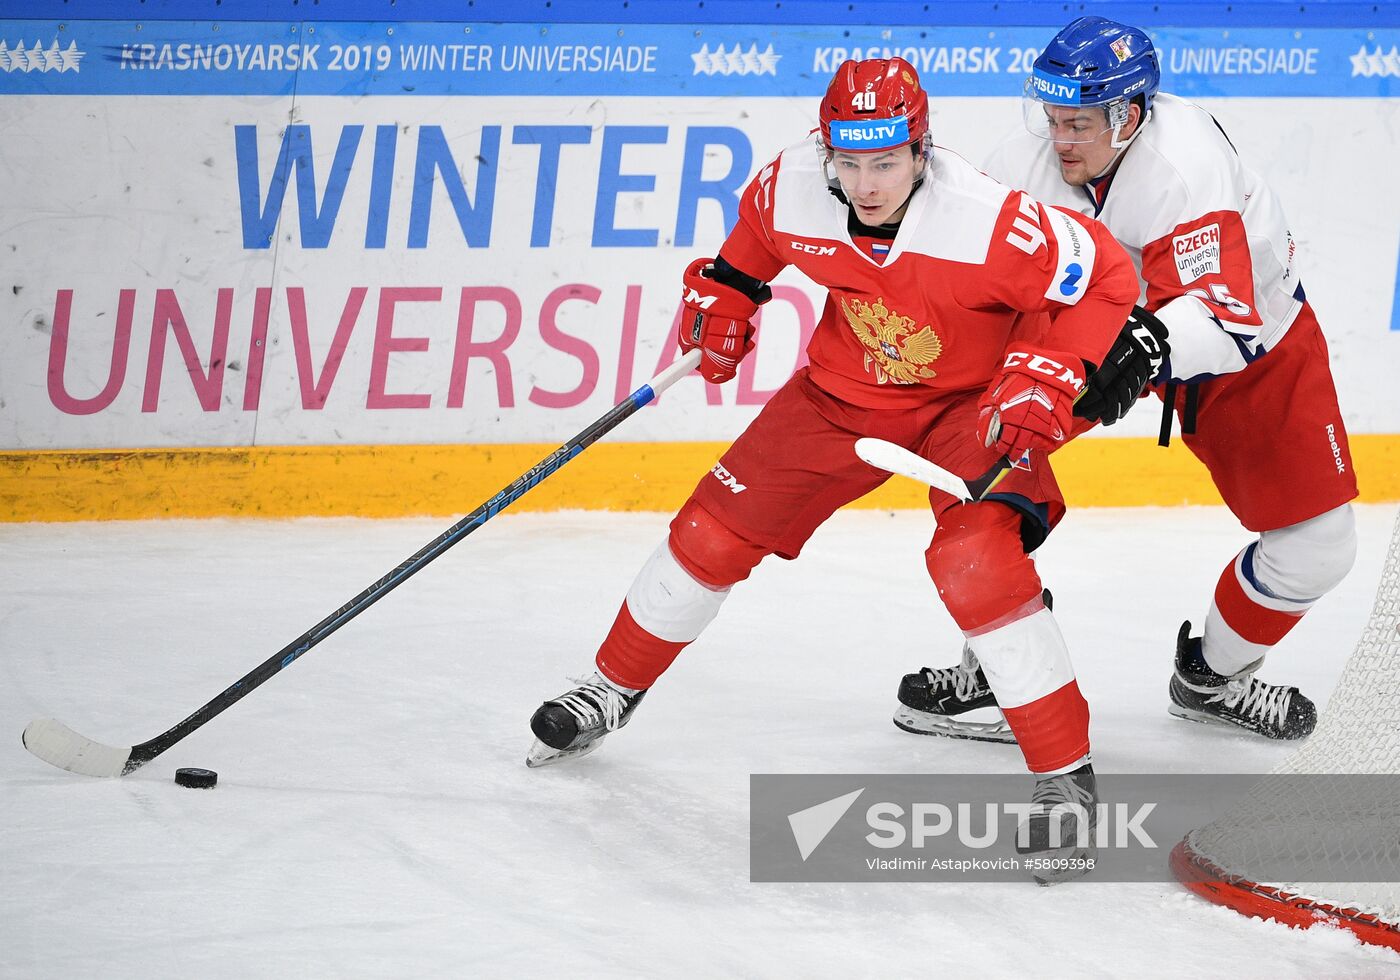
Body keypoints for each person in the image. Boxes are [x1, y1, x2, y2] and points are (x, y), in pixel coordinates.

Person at [525, 56, 1141, 875]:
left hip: (974, 402)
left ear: (921, 151)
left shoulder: (990, 222)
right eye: (848, 163)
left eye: (885, 162)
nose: (866, 184)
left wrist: (1045, 373)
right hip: (844, 393)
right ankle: (610, 688)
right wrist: (723, 303)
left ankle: (1065, 780)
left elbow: (1107, 273)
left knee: (974, 560)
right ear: (827, 149)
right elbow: (740, 263)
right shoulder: (788, 187)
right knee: (710, 533)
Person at [894, 17, 1358, 745]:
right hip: (1093, 332)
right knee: (975, 461)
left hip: (1245, 336)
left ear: (1130, 115)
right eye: (1051, 118)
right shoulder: (1021, 162)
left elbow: (1222, 317)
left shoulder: (1183, 164)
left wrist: (1138, 347)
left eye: (1077, 123)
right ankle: (999, 663)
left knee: (1319, 545)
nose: (1059, 139)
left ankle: (1214, 676)